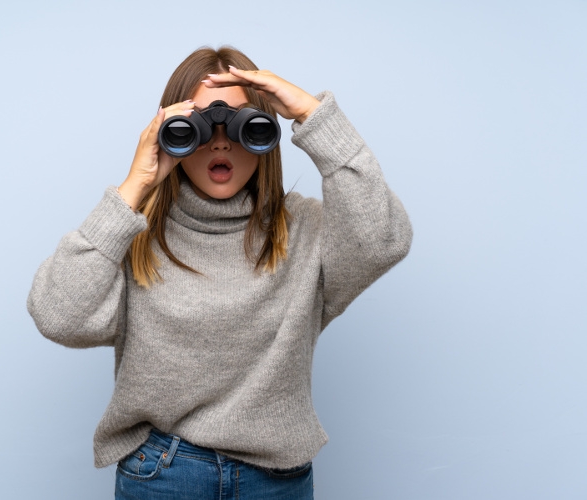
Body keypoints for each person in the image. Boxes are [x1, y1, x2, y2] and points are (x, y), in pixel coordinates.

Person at [27, 46, 412, 499]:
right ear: (171, 132)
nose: (220, 139)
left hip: (276, 477)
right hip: (164, 473)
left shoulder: (305, 231)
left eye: (242, 123)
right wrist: (135, 187)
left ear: (263, 134)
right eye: (200, 125)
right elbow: (58, 315)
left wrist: (313, 115)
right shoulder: (134, 234)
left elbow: (382, 240)